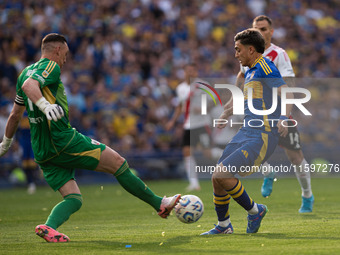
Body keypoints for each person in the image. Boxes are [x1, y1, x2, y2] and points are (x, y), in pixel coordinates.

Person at [0, 33, 181, 243]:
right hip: (61, 140)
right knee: (118, 163)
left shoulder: (23, 72)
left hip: (42, 150)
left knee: (74, 199)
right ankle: (160, 204)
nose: (65, 59)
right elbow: (29, 86)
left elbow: (15, 114)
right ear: (57, 49)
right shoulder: (50, 66)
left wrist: (6, 143)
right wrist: (45, 105)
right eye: (65, 54)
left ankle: (49, 227)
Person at [201, 28, 293, 235]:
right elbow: (246, 100)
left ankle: (255, 210)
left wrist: (284, 118)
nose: (236, 54)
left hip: (262, 134)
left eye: (238, 50)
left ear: (251, 49)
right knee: (217, 177)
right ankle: (224, 226)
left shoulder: (264, 66)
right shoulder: (250, 71)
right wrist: (226, 114)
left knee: (222, 174)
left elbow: (285, 91)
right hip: (246, 132)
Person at [238, 15, 313, 213]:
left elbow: (290, 84)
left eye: (263, 29)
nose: (259, 32)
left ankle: (307, 195)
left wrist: (283, 112)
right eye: (256, 29)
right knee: (251, 149)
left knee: (295, 157)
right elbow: (241, 76)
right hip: (258, 113)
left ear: (271, 32)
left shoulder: (279, 54)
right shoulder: (248, 53)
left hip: (279, 112)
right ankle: (268, 172)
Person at [166, 63, 211, 191]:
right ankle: (194, 183)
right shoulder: (180, 88)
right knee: (187, 153)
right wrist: (172, 121)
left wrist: (201, 109)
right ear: (184, 72)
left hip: (202, 123)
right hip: (188, 124)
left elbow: (212, 102)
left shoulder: (203, 85)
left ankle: (233, 162)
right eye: (188, 71)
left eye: (193, 71)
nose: (190, 73)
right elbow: (180, 106)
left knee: (207, 153)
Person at [17, 112, 39, 194]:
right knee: (25, 162)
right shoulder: (20, 112)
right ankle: (30, 182)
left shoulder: (34, 111)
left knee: (33, 162)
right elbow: (16, 128)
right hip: (23, 141)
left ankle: (34, 181)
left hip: (33, 139)